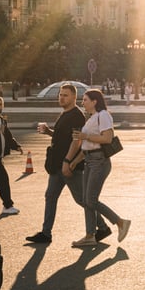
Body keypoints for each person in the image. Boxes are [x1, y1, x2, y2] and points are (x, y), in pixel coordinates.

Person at [26, 83, 113, 244]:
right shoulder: (64, 114)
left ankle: (102, 227)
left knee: (83, 200)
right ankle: (46, 233)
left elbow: (76, 141)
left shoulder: (76, 115)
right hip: (56, 165)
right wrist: (48, 132)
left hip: (68, 166)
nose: (61, 97)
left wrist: (68, 161)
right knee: (50, 196)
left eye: (65, 95)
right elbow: (63, 137)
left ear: (74, 97)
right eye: (60, 94)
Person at [71, 89, 131, 247]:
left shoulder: (104, 115)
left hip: (100, 161)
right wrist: (75, 161)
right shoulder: (91, 118)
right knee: (86, 200)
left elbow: (107, 138)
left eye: (85, 100)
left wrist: (85, 136)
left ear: (94, 101)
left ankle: (120, 222)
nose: (82, 102)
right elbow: (87, 146)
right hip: (89, 160)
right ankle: (90, 235)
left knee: (91, 200)